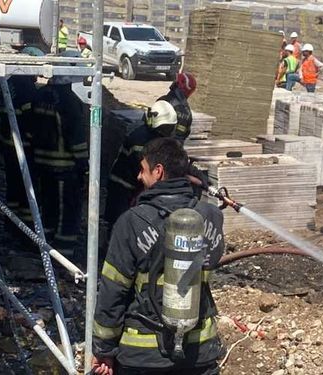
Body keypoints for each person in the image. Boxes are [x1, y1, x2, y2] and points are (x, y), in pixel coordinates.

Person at [92, 137, 225, 375]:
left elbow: (113, 291)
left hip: (144, 355)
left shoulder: (131, 222)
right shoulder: (211, 216)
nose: (139, 177)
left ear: (159, 171)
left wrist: (104, 349)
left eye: (143, 170)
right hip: (199, 351)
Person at [31, 76, 88, 257]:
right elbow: (76, 137)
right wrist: (83, 166)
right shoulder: (70, 101)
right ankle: (63, 253)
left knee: (48, 208)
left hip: (41, 163)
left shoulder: (39, 95)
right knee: (67, 211)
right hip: (65, 167)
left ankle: (44, 247)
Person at [104, 101, 178, 232]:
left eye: (169, 127)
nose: (168, 131)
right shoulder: (141, 139)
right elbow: (149, 169)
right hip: (123, 186)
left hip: (133, 187)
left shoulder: (155, 137)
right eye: (166, 127)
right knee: (120, 224)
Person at [0, 75, 38, 236]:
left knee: (13, 189)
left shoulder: (7, 85)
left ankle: (11, 226)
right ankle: (29, 231)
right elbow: (31, 120)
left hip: (9, 146)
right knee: (28, 192)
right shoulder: (26, 87)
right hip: (24, 149)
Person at [158, 72, 196, 141]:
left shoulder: (164, 101)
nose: (173, 82)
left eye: (176, 81)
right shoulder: (187, 111)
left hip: (158, 147)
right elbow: (185, 134)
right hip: (176, 149)